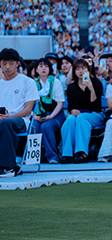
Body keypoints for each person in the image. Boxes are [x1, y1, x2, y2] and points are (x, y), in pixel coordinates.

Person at [0, 48, 40, 177]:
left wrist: (9, 116)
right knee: (4, 122)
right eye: (4, 63)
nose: (7, 67)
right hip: (4, 119)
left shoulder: (27, 82)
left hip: (21, 120)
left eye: (11, 63)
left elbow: (28, 110)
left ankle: (9, 167)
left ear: (17, 64)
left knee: (6, 123)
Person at [61, 59, 105, 163]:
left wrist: (90, 88)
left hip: (94, 114)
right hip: (79, 115)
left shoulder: (96, 83)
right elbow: (71, 106)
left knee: (82, 118)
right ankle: (67, 153)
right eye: (78, 69)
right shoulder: (72, 87)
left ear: (88, 69)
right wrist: (73, 111)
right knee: (70, 119)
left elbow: (96, 105)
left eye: (83, 68)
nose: (81, 71)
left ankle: (82, 152)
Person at [28, 57, 65, 164]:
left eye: (46, 66)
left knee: (46, 126)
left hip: (55, 113)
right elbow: (28, 103)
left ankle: (53, 157)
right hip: (37, 113)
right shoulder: (32, 83)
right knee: (33, 126)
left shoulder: (56, 82)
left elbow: (60, 103)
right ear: (36, 70)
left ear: (50, 69)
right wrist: (33, 116)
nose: (43, 69)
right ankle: (33, 158)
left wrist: (51, 116)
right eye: (41, 66)